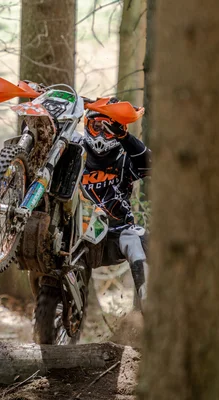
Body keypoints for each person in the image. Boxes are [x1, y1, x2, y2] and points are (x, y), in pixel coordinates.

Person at [80, 99, 151, 309]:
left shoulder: (124, 158)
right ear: (86, 125)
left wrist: (125, 138)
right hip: (77, 232)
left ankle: (147, 308)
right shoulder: (75, 153)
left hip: (115, 235)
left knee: (136, 238)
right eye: (97, 126)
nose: (102, 134)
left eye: (109, 129)